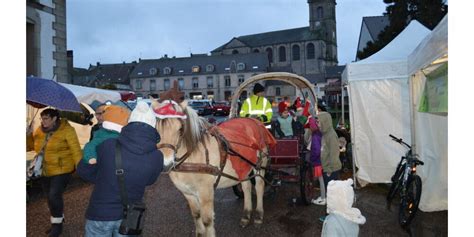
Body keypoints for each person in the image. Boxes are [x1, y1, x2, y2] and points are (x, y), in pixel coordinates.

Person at [77, 101, 164, 236]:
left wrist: (105, 176)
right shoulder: (157, 156)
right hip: (130, 216)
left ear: (129, 123)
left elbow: (84, 172)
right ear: (153, 125)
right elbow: (149, 181)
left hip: (101, 212)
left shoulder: (107, 145)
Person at [26, 108, 82, 237]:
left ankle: (57, 226)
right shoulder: (39, 130)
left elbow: (76, 150)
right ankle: (57, 218)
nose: (43, 121)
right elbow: (30, 146)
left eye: (46, 118)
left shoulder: (67, 130)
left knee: (53, 196)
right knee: (50, 199)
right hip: (44, 170)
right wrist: (28, 135)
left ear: (54, 118)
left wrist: (81, 167)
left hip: (62, 170)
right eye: (42, 118)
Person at [318, 111, 342, 222]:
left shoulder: (331, 135)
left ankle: (331, 217)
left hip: (331, 169)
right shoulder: (325, 133)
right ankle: (331, 215)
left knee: (331, 195)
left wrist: (330, 170)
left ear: (325, 122)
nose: (318, 124)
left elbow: (334, 154)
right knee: (330, 194)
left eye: (319, 122)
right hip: (327, 168)